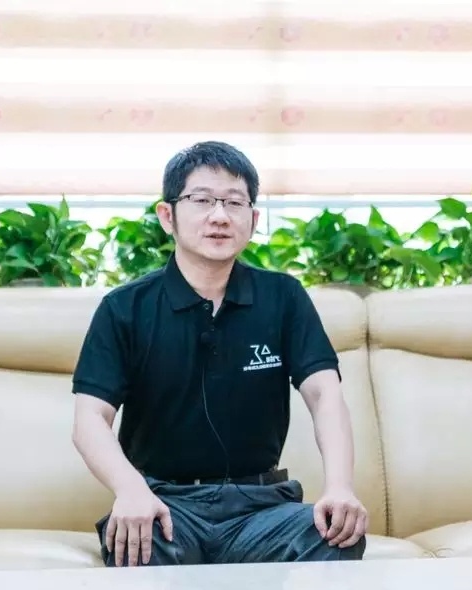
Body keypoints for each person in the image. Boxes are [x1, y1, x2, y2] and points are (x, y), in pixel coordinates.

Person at [71, 140, 368, 567]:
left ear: (253, 219)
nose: (219, 216)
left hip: (261, 507)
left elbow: (325, 394)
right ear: (167, 216)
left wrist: (340, 487)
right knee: (137, 541)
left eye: (234, 202)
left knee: (335, 537)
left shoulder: (283, 297)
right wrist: (131, 490)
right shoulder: (125, 308)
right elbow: (89, 420)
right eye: (202, 200)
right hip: (166, 506)